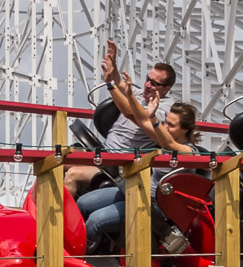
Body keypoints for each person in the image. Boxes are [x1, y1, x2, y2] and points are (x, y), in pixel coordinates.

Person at [75, 54, 200, 255]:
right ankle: (82, 246)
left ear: (185, 130)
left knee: (96, 221)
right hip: (133, 190)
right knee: (83, 203)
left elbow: (163, 138)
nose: (166, 126)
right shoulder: (164, 142)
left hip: (151, 205)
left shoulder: (187, 152)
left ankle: (84, 259)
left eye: (171, 125)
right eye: (165, 122)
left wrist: (153, 117)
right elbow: (142, 121)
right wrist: (114, 76)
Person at [65, 39, 177, 196]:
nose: (147, 85)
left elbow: (132, 114)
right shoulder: (140, 93)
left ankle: (59, 221)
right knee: (55, 160)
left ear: (166, 88)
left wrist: (110, 85)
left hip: (119, 164)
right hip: (103, 152)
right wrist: (113, 66)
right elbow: (119, 82)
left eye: (154, 83)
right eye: (147, 79)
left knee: (72, 175)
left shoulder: (163, 108)